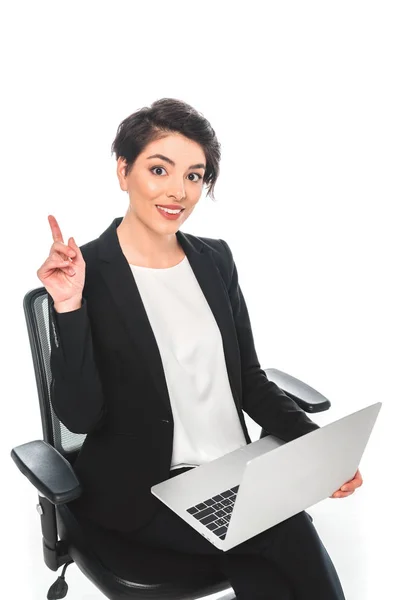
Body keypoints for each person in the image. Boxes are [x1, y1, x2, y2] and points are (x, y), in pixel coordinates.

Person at [37, 98, 362, 599]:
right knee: (282, 535)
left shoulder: (215, 260)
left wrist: (317, 447)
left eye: (194, 175)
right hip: (142, 492)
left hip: (229, 473)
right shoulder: (90, 274)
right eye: (159, 169)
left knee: (272, 555)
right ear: (123, 171)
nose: (178, 191)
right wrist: (69, 307)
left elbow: (249, 380)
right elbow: (78, 417)